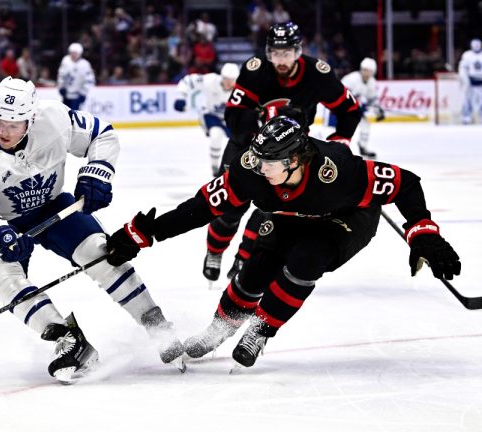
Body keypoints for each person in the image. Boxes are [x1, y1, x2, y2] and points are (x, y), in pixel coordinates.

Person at [106, 115, 461, 369]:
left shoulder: (336, 171)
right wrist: (145, 233)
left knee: (307, 257)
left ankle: (261, 330)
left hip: (346, 219)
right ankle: (218, 329)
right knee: (255, 271)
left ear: (294, 161)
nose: (258, 168)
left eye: (269, 162)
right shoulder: (252, 171)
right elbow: (201, 209)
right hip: (289, 216)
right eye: (257, 159)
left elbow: (406, 183)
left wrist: (423, 232)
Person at [0, 77, 184, 383]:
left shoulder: (54, 118)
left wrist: (98, 172)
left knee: (99, 254)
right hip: (1, 221)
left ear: (31, 120)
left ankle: (156, 324)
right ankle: (69, 340)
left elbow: (102, 134)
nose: (4, 131)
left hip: (54, 206)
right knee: (1, 280)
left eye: (14, 123)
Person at [202, 21, 362, 286]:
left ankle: (245, 259)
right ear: (268, 52)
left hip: (290, 153)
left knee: (274, 210)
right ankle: (215, 251)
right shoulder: (255, 71)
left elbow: (350, 109)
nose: (281, 59)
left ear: (298, 51)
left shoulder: (318, 74)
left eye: (287, 52)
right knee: (229, 207)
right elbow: (233, 117)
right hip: (248, 146)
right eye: (276, 53)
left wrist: (341, 140)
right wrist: (261, 120)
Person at [174, 63, 240, 176]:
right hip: (211, 115)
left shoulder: (242, 87)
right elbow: (187, 81)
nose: (228, 83)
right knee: (216, 135)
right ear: (221, 76)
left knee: (241, 142)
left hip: (232, 118)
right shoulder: (210, 80)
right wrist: (181, 97)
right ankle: (215, 167)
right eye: (226, 79)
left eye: (232, 80)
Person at [340, 58, 384, 159]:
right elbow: (341, 93)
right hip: (341, 109)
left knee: (365, 125)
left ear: (373, 72)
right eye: (364, 70)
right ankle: (338, 148)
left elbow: (372, 99)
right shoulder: (351, 79)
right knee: (342, 129)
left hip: (354, 110)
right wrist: (355, 102)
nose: (365, 73)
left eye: (368, 71)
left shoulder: (372, 82)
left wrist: (378, 110)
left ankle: (363, 147)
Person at [57, 43, 95, 110]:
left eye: (75, 53)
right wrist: (61, 87)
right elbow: (61, 75)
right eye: (72, 53)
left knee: (74, 115)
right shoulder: (65, 61)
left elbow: (90, 80)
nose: (73, 55)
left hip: (77, 95)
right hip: (66, 94)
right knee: (64, 114)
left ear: (80, 53)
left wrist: (83, 93)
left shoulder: (85, 64)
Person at [459, 38, 482, 125]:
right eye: (474, 45)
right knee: (467, 100)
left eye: (478, 45)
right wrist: (465, 79)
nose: (476, 47)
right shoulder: (467, 55)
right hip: (471, 81)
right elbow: (463, 68)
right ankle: (466, 117)